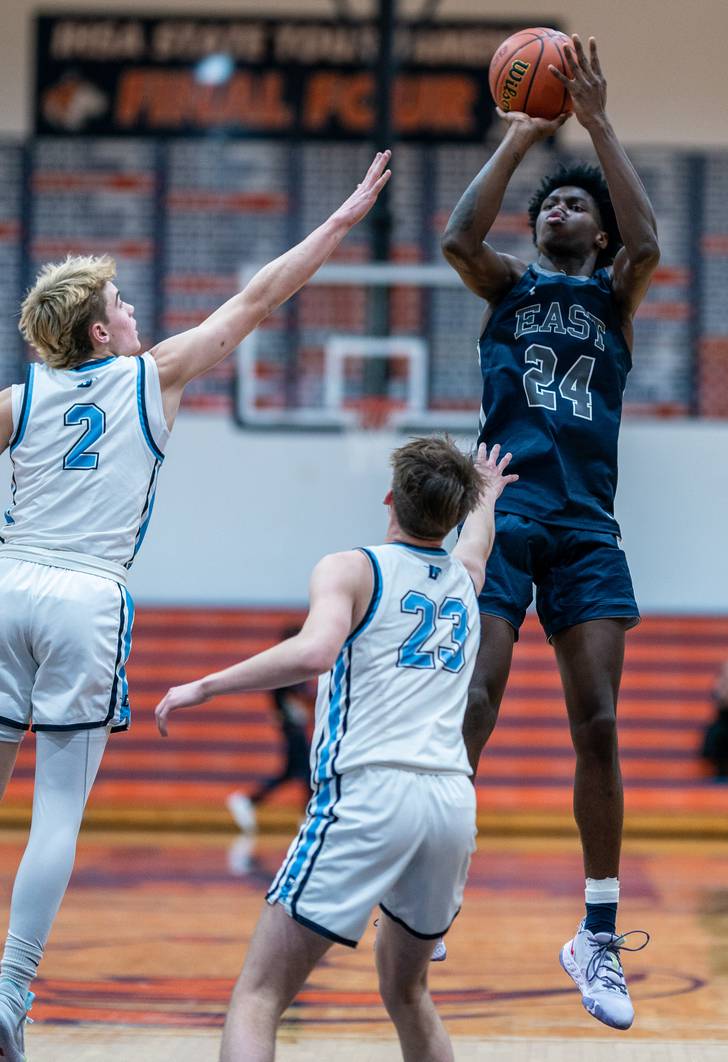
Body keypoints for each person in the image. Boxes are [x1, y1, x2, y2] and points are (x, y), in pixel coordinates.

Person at [0, 150, 392, 1061]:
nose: (136, 313)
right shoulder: (155, 375)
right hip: (84, 598)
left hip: (7, 581)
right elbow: (258, 299)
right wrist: (337, 223)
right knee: (56, 812)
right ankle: (11, 993)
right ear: (100, 335)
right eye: (122, 306)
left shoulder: (18, 403)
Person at [154, 438, 517, 1062]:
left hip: (370, 792)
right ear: (454, 515)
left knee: (259, 994)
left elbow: (315, 652)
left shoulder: (351, 567)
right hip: (452, 803)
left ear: (388, 497)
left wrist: (204, 684)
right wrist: (485, 491)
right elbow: (478, 542)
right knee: (408, 991)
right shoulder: (464, 578)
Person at [441, 34, 659, 1030]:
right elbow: (455, 235)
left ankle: (597, 936)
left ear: (596, 230)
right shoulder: (509, 288)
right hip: (503, 506)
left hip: (583, 523)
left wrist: (598, 124)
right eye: (547, 204)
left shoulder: (614, 296)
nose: (557, 208)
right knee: (475, 697)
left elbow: (648, 244)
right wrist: (523, 136)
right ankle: (432, 875)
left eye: (575, 202)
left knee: (599, 723)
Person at [227, 638, 313, 835]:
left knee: (293, 772)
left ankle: (249, 801)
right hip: (293, 729)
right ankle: (306, 816)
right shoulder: (291, 666)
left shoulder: (289, 666)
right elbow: (298, 697)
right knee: (305, 771)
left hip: (293, 727)